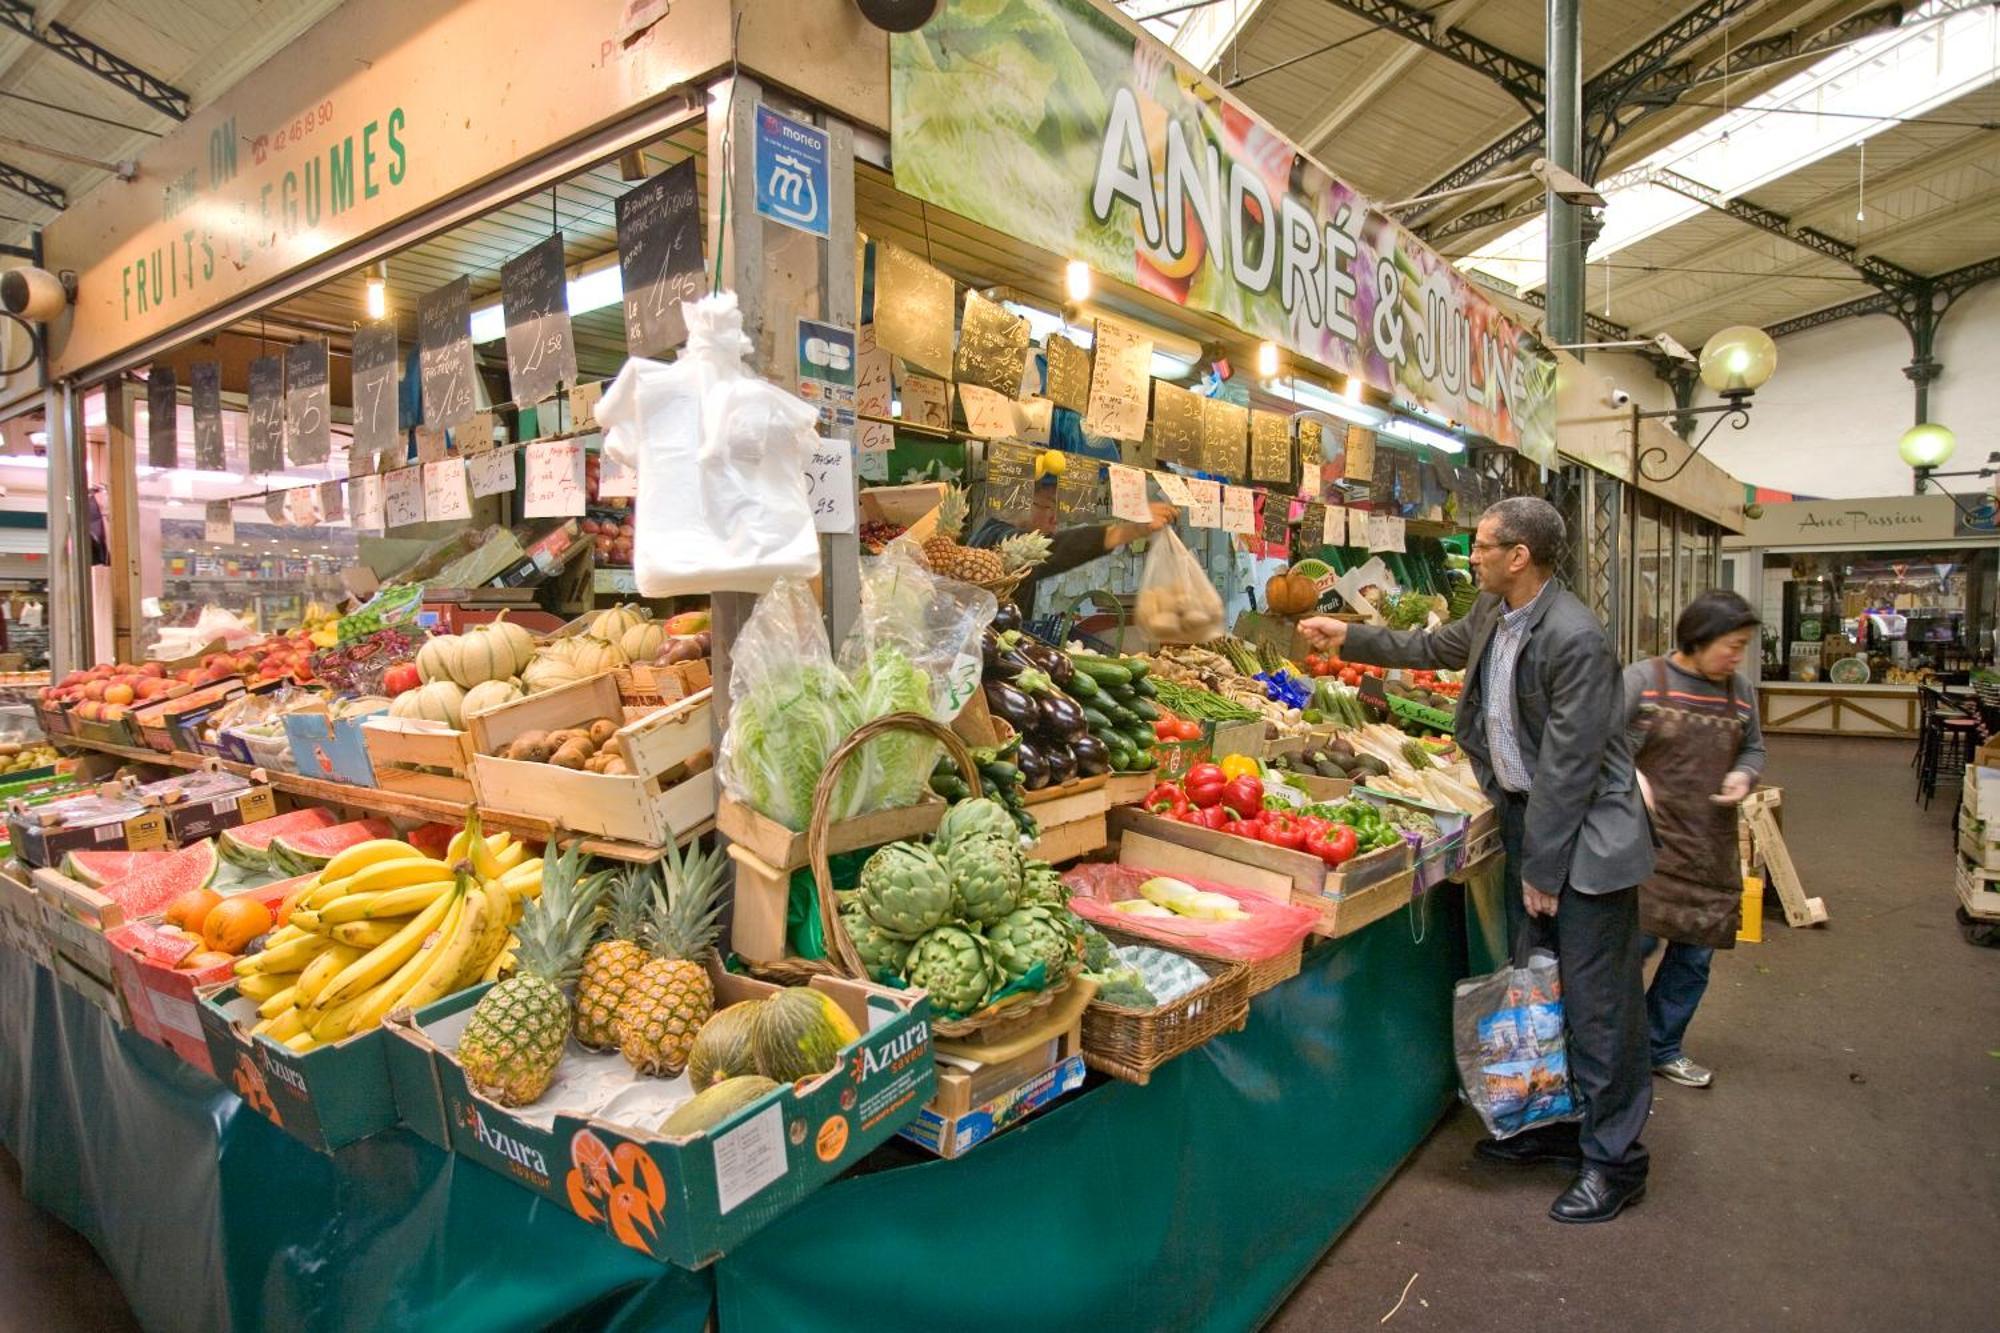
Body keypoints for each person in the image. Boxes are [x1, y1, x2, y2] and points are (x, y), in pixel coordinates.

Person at [1301, 496, 1655, 1225]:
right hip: (1535, 826)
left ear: (1519, 555)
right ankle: (1557, 1124)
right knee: (1541, 988)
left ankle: (1616, 1161)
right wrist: (1349, 635)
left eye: (1484, 546)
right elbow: (1434, 649)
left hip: (1584, 841)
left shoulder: (1575, 637)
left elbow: (1571, 768)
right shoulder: (1498, 615)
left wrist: (1542, 870)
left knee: (1599, 1004)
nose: (1473, 556)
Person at [1626, 590, 1765, 1090]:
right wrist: (1631, 777)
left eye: (1742, 646)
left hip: (1709, 848)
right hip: (1643, 851)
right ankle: (1611, 1049)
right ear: (1698, 638)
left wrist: (1743, 776)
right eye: (1731, 645)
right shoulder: (1643, 681)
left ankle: (1662, 1046)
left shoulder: (1739, 690)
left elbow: (1753, 747)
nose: (1736, 656)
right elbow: (1599, 744)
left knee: (1693, 959)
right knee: (1628, 951)